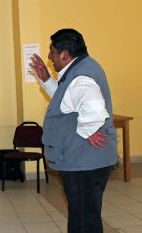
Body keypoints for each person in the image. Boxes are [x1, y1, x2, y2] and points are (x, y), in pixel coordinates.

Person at [30, 29, 117, 233]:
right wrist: (46, 80)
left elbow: (95, 109)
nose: (49, 58)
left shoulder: (81, 76)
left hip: (84, 163)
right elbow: (68, 102)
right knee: (82, 215)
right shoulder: (81, 69)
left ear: (64, 54)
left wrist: (88, 129)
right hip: (84, 161)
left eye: (52, 52)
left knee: (84, 220)